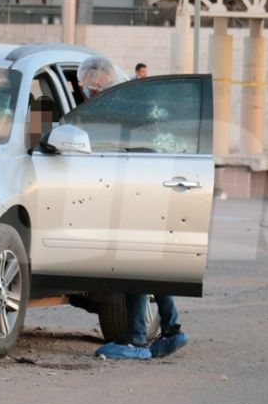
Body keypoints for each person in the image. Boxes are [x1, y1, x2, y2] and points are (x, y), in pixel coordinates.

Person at [77, 56, 189, 360]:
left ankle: (136, 341)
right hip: (155, 187)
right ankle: (173, 329)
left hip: (134, 191)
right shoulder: (136, 101)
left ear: (98, 84)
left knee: (134, 264)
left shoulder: (114, 108)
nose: (86, 91)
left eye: (88, 86)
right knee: (150, 264)